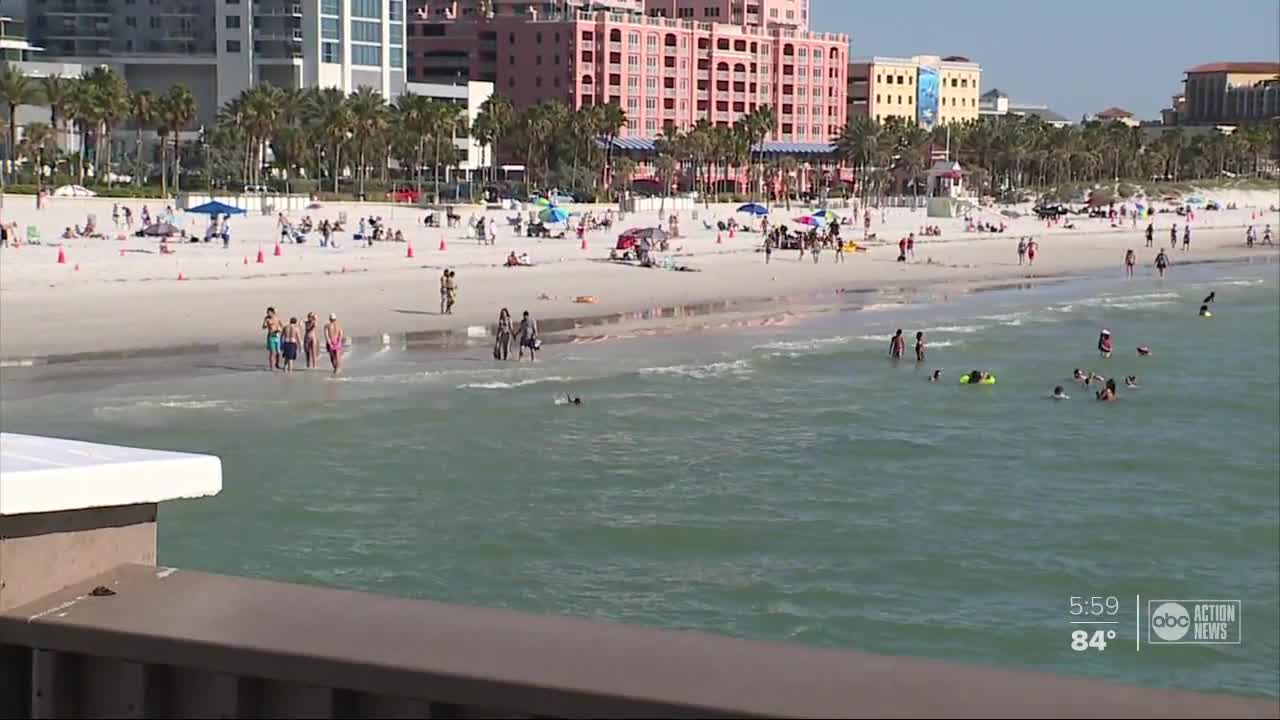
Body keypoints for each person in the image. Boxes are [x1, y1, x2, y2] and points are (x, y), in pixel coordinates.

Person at [262, 307, 283, 371]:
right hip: (271, 336)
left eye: (269, 312)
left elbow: (282, 326)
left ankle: (277, 364)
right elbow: (263, 327)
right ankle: (272, 367)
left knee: (278, 352)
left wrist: (279, 330)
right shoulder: (266, 318)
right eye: (267, 312)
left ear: (272, 312)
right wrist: (266, 325)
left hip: (277, 336)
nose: (268, 314)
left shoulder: (277, 318)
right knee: (272, 352)